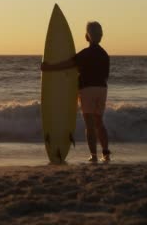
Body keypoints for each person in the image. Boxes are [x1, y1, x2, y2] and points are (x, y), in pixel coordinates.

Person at [41, 21, 111, 163]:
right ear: (101, 36)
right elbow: (105, 75)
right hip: (102, 89)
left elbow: (68, 63)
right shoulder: (105, 55)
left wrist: (49, 67)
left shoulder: (85, 54)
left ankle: (94, 155)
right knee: (99, 122)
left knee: (89, 125)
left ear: (87, 37)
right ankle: (106, 153)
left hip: (87, 90)